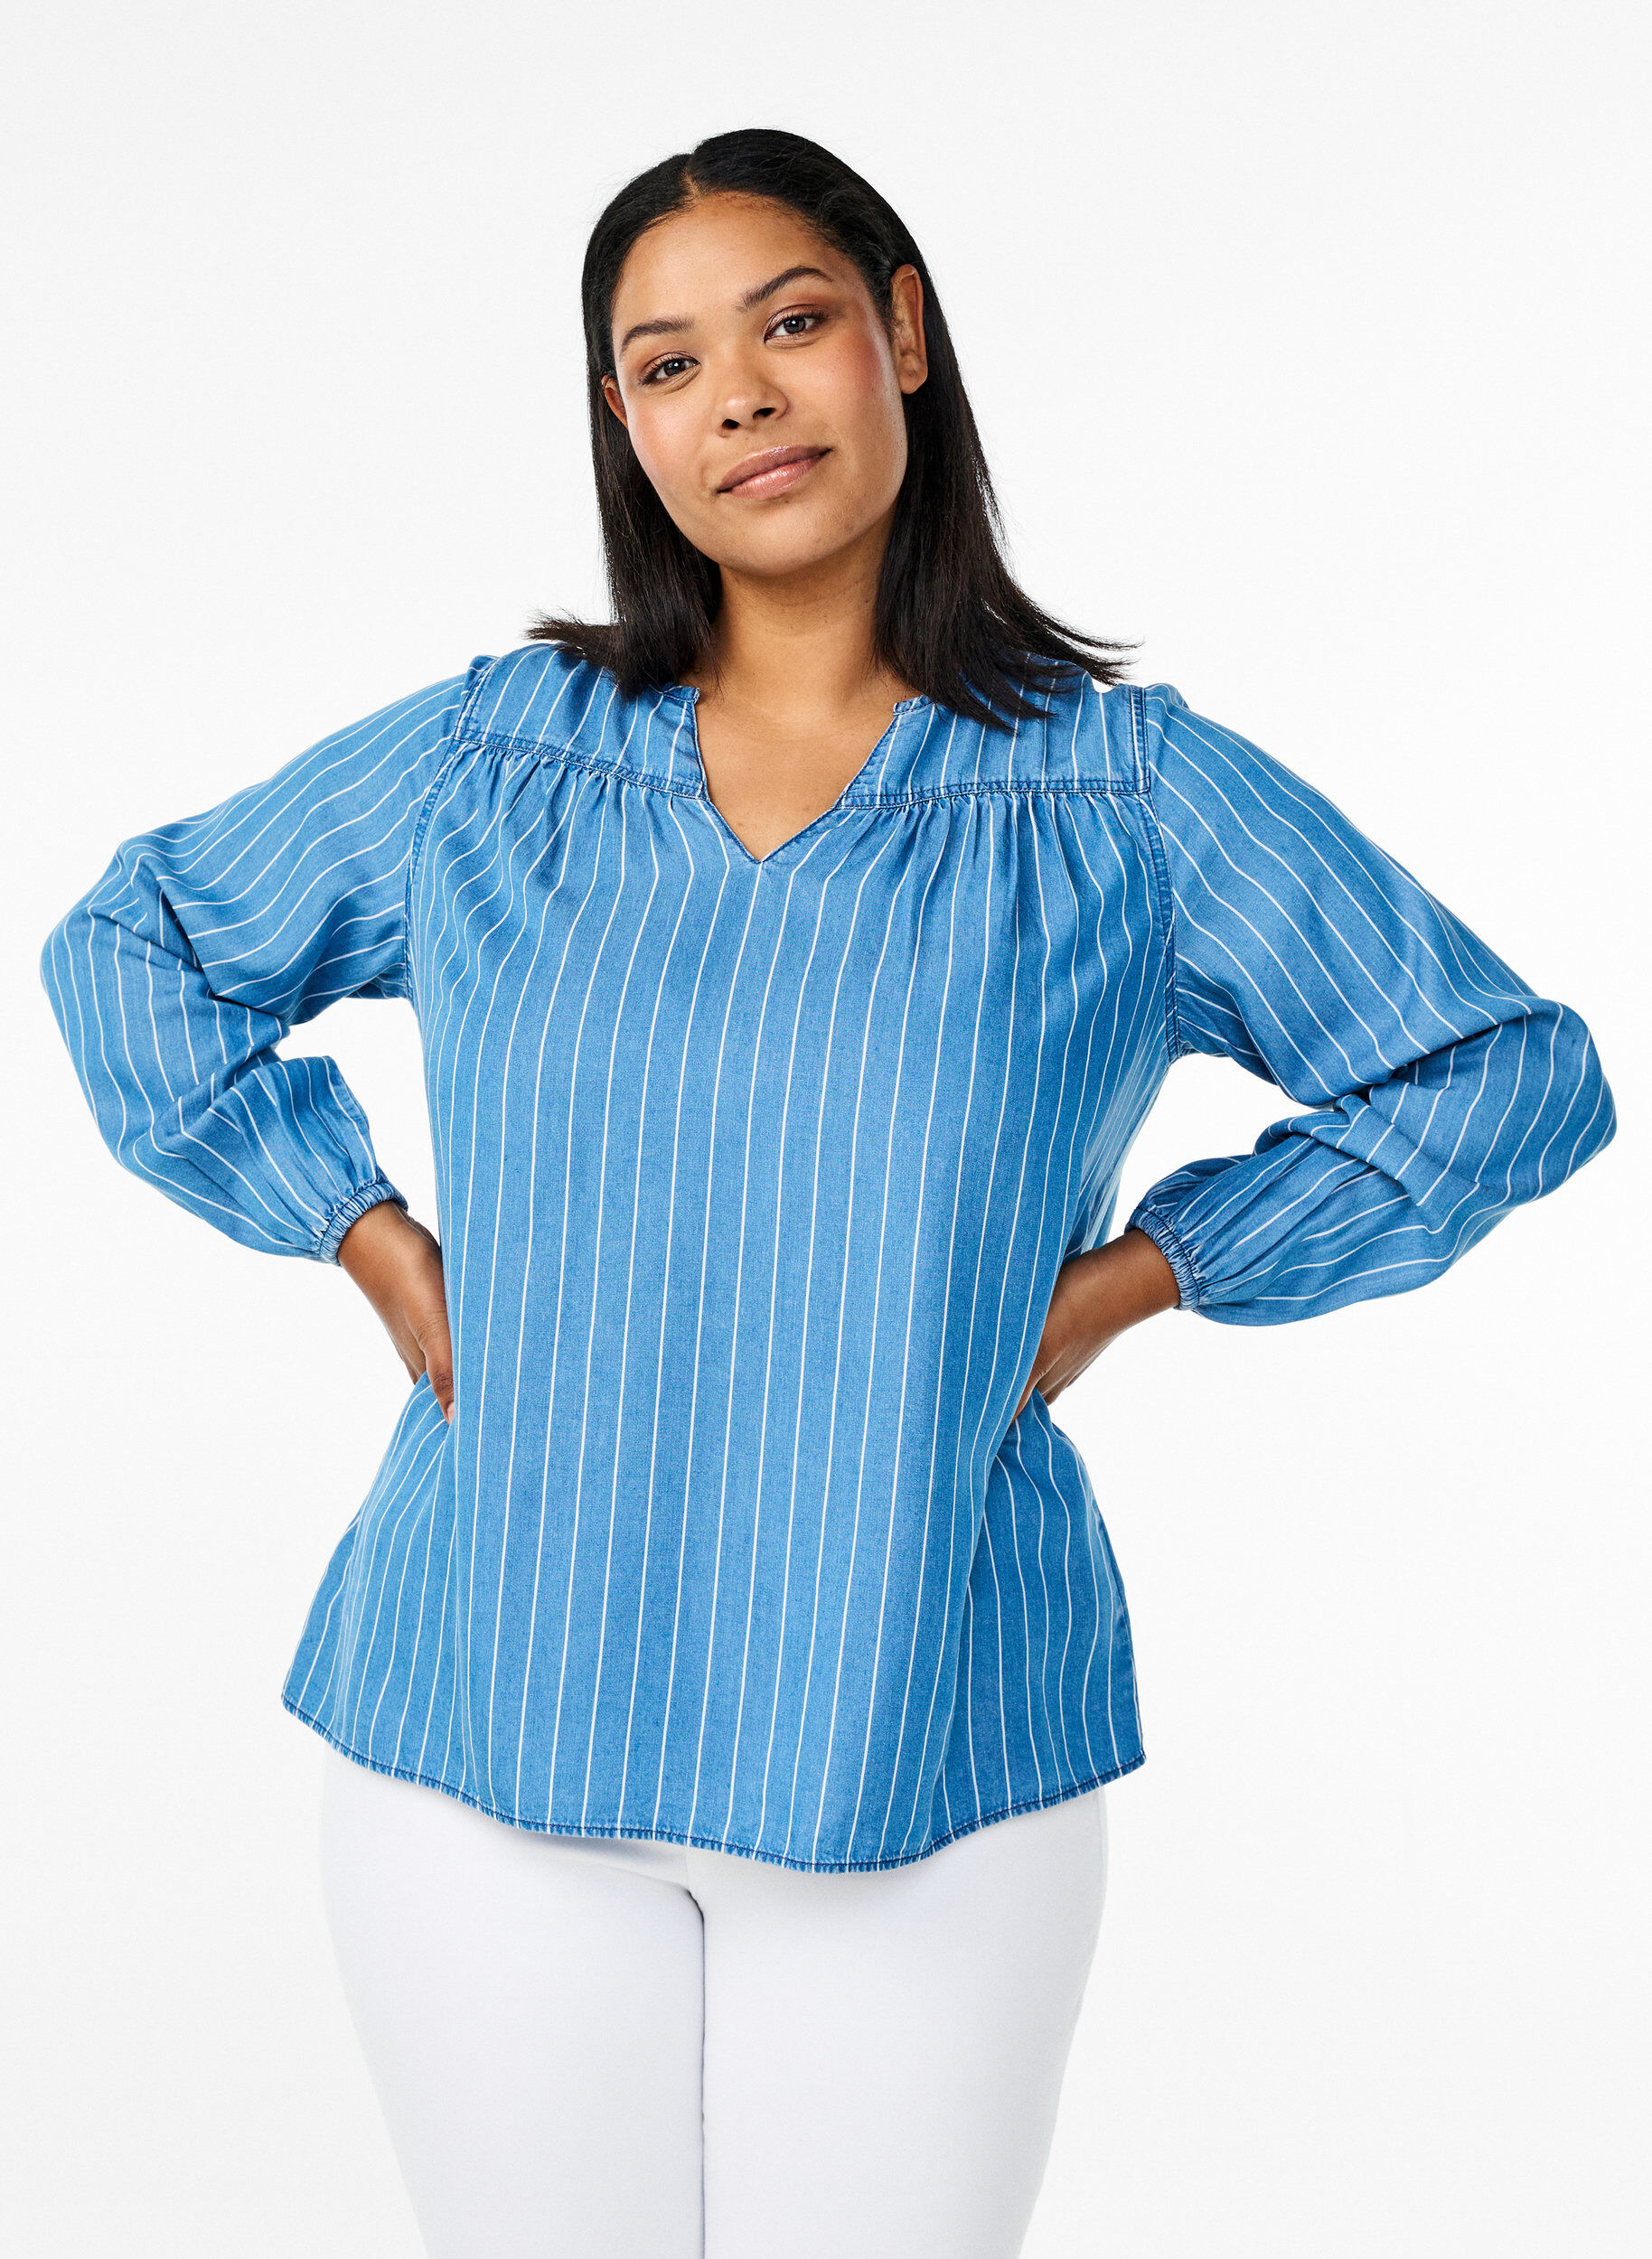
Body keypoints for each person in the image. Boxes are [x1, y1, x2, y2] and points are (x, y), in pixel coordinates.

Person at [39, 127, 1616, 2259]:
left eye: (788, 323)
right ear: (624, 425)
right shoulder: (498, 762)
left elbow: (1492, 1071)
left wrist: (1139, 1279)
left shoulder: (1122, 798)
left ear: (901, 332)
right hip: (477, 1715)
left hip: (924, 1735)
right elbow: (136, 944)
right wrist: (364, 1229)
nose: (741, 395)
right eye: (665, 363)